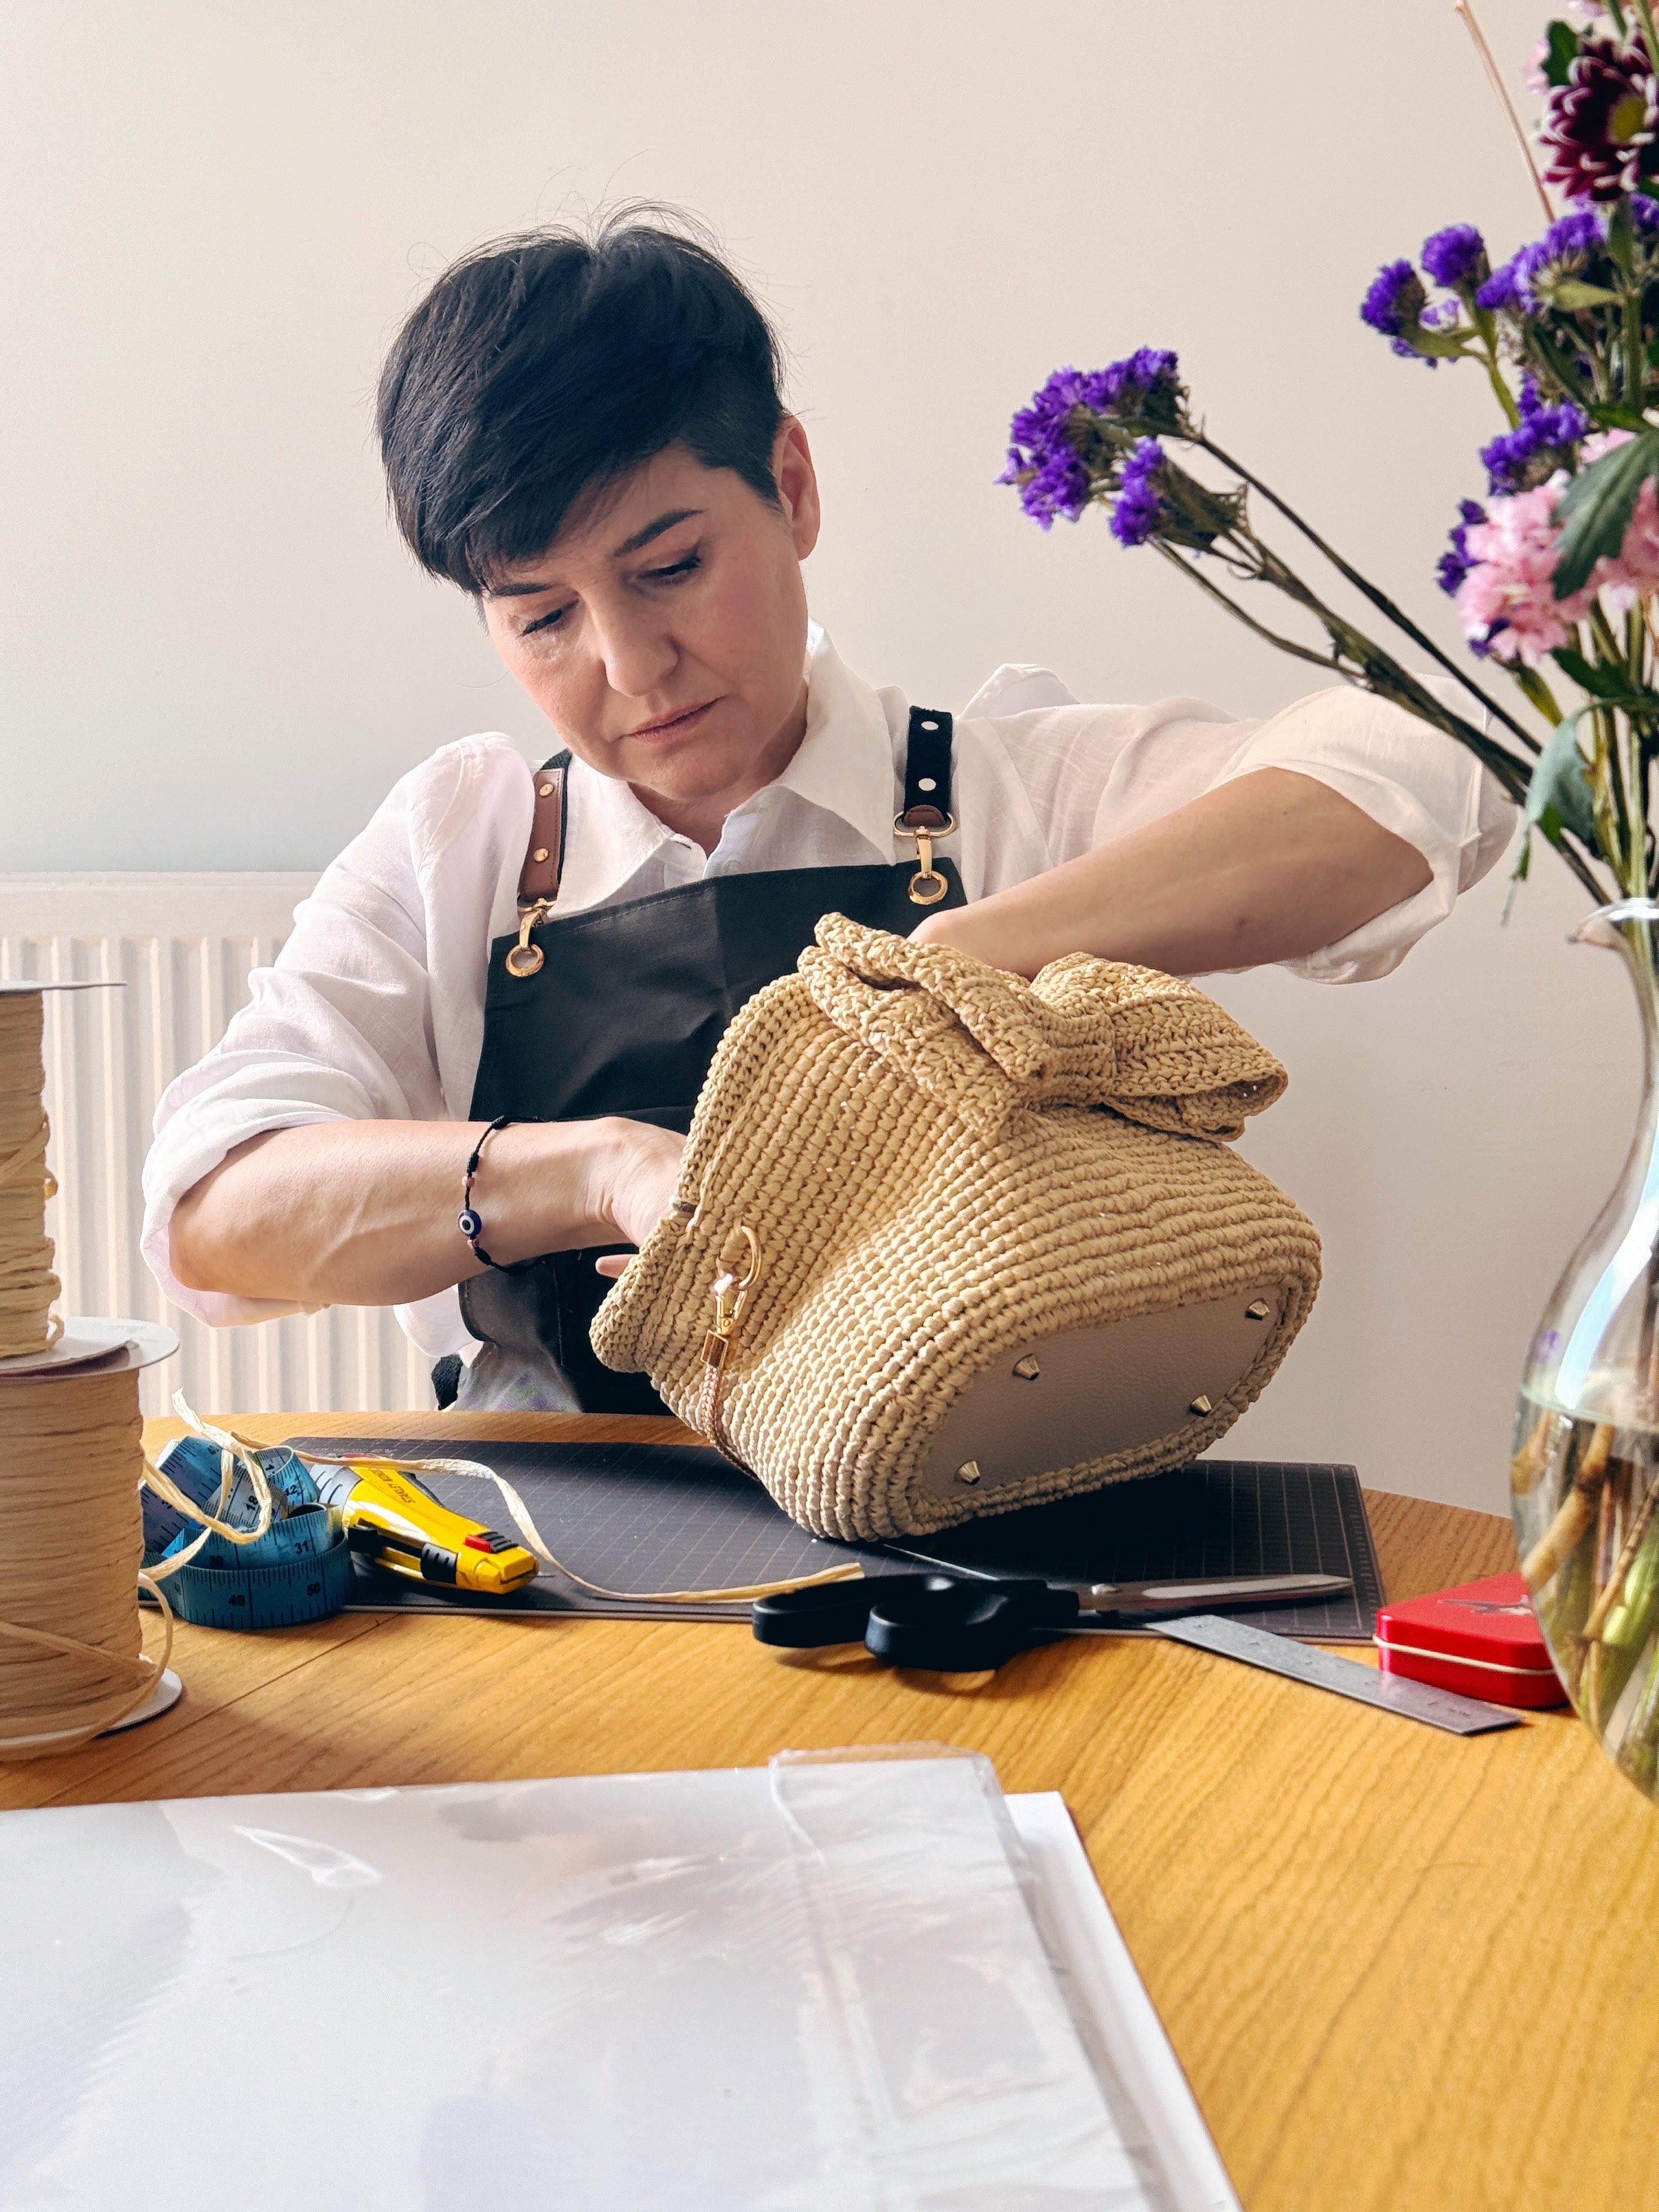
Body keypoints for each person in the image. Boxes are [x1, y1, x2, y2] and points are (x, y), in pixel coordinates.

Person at [142, 213, 1514, 1412]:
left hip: (969, 1563)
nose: (628, 666)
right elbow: (213, 1209)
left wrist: (938, 971)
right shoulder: (467, 848)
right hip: (554, 1562)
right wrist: (604, 1175)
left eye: (670, 567)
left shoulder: (1011, 790)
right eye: (543, 615)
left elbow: (1428, 776)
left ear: (792, 488)